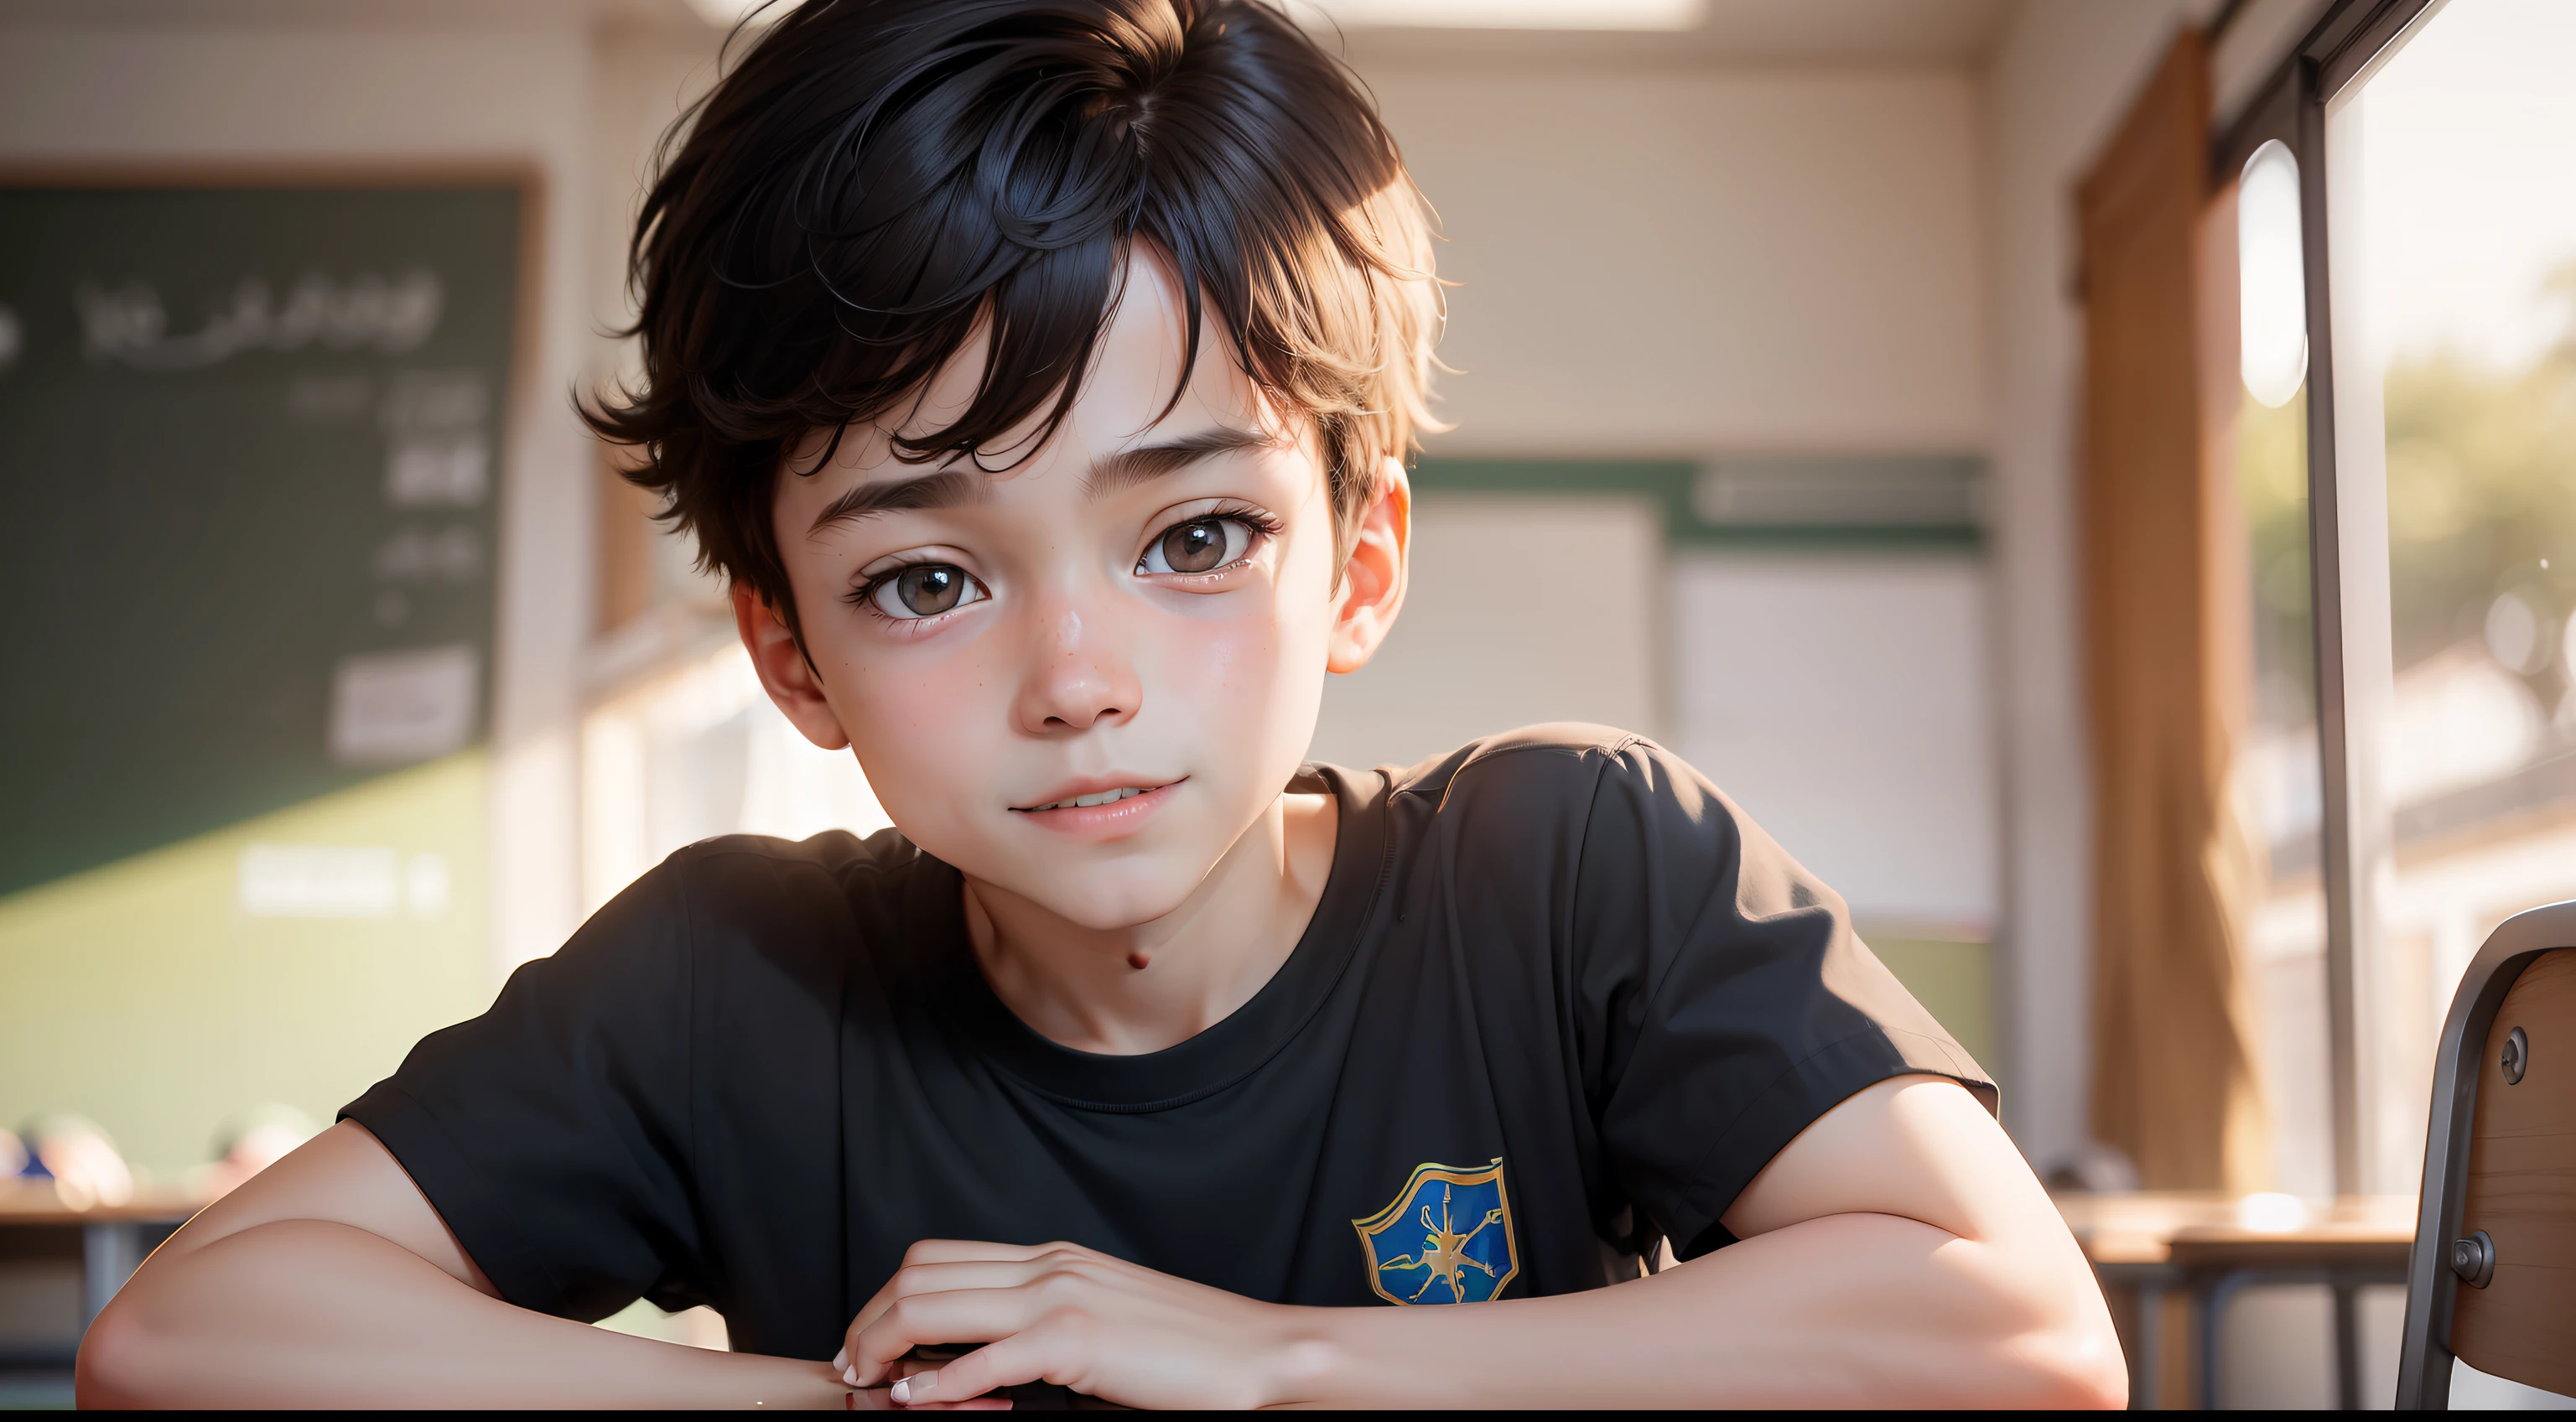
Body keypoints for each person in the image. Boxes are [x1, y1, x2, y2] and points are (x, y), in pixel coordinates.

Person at [78, 0, 2125, 1407]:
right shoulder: (735, 978)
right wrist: (862, 1392)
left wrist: (1267, 1353)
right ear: (791, 648)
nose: (1080, 679)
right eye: (929, 578)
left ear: (1364, 556)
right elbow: (187, 1336)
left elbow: (2021, 1332)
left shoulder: (1574, 863)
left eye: (1198, 538)